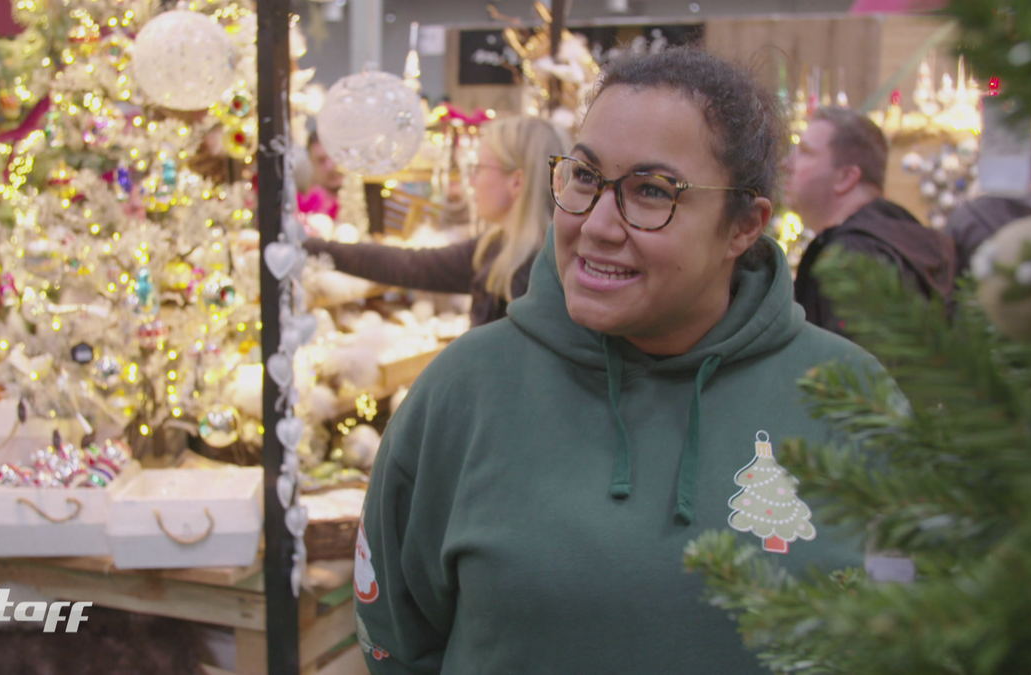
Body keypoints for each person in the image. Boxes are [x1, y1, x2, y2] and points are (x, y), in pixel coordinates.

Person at [353, 48, 883, 674]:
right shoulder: (464, 390)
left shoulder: (850, 399)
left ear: (744, 225)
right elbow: (396, 638)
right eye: (584, 177)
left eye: (653, 191)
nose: (599, 224)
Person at [302, 115, 568, 327]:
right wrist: (312, 248)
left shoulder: (534, 276)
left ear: (516, 181)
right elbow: (411, 265)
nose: (471, 181)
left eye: (479, 169)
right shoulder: (496, 248)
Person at [785, 106, 955, 335]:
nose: (786, 164)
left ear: (845, 177)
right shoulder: (905, 237)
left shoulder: (854, 256)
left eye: (805, 152)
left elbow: (853, 366)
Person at [297, 131, 345, 220]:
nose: (330, 166)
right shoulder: (302, 206)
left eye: (335, 157)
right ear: (311, 164)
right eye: (321, 161)